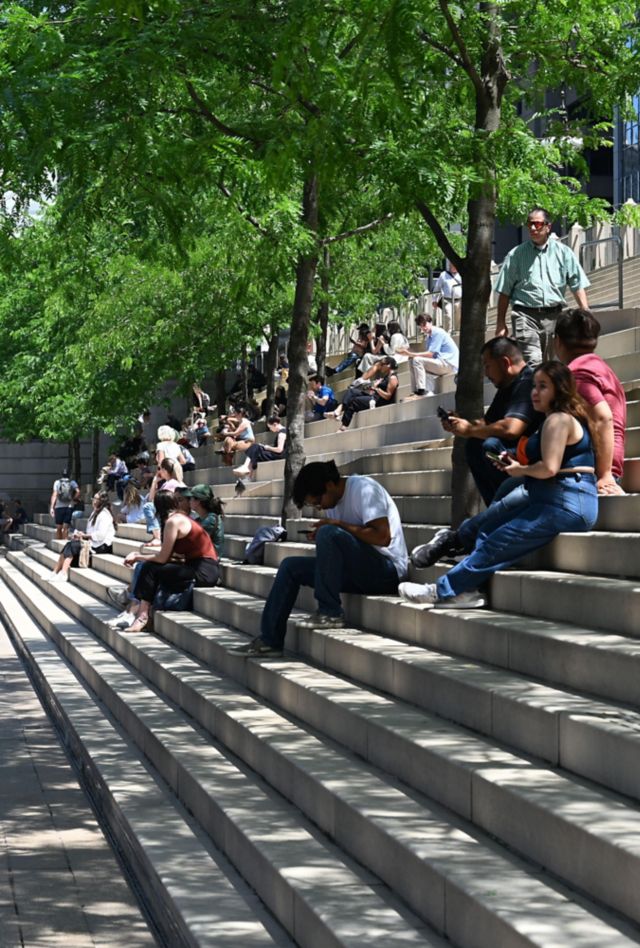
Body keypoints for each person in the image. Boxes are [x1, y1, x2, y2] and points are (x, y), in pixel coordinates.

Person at [400, 361, 598, 608]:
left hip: (566, 499)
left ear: (560, 389)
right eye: (534, 386)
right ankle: (466, 586)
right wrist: (515, 463)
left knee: (500, 538)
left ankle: (441, 590)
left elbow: (549, 468)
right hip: (552, 494)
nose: (535, 392)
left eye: (543, 386)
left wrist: (519, 470)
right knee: (490, 525)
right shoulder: (554, 419)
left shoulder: (558, 419)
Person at [233, 460, 408, 657]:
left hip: (386, 571)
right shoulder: (332, 501)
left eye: (317, 502)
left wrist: (337, 526)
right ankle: (269, 640)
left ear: (330, 485)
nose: (319, 508)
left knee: (328, 531)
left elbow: (382, 537)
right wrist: (333, 532)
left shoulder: (363, 489)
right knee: (290, 566)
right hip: (357, 571)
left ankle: (330, 612)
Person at [442, 337, 544, 506]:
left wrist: (470, 430)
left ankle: (508, 506)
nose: (485, 373)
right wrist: (461, 424)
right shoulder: (507, 386)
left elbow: (512, 428)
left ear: (505, 362)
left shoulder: (527, 383)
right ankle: (496, 507)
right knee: (475, 444)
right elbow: (487, 424)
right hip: (515, 455)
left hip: (530, 458)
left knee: (490, 446)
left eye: (487, 365)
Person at [495, 207, 591, 366]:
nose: (532, 228)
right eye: (530, 224)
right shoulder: (516, 255)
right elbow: (504, 291)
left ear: (548, 226)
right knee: (534, 362)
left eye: (537, 224)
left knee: (550, 365)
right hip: (525, 316)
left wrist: (585, 311)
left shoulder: (564, 253)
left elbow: (576, 283)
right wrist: (500, 323)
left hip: (554, 316)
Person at [121, 492, 220, 634]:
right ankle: (135, 608)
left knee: (148, 567)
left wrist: (137, 555)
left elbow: (162, 558)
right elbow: (169, 556)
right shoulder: (178, 518)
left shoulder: (173, 522)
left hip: (204, 570)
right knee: (147, 566)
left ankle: (141, 616)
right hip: (196, 566)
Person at [554, 309, 626, 496]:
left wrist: (605, 475)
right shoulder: (599, 367)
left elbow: (603, 418)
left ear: (558, 341)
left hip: (592, 473)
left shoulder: (578, 373)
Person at [50, 491, 115, 581]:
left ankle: (63, 573)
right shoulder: (95, 513)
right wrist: (82, 535)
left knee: (72, 546)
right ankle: (55, 572)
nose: (93, 501)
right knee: (69, 544)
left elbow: (100, 535)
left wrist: (85, 535)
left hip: (101, 546)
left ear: (101, 501)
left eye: (95, 499)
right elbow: (91, 532)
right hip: (94, 542)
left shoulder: (104, 514)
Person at [397, 314, 459, 397]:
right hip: (441, 363)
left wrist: (411, 354)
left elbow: (431, 354)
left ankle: (421, 390)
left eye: (424, 324)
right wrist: (410, 354)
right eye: (421, 326)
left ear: (430, 322)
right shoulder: (429, 337)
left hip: (449, 364)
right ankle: (415, 391)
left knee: (417, 360)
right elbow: (429, 356)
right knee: (412, 360)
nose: (423, 328)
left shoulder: (437, 332)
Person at [330, 357, 399, 430]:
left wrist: (376, 389)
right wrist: (373, 388)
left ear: (388, 365)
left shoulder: (392, 378)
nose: (380, 367)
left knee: (354, 401)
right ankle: (339, 410)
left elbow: (388, 396)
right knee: (352, 391)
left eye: (382, 364)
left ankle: (343, 427)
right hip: (375, 397)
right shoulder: (386, 377)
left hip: (378, 401)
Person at [183, 484, 225, 556]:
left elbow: (193, 541)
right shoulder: (199, 519)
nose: (189, 501)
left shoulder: (211, 519)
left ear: (198, 501)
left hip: (208, 561)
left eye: (191, 498)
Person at [432, 262, 462, 333]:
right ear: (449, 265)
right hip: (447, 300)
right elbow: (437, 288)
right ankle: (448, 333)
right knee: (448, 316)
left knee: (458, 318)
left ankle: (457, 333)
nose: (453, 267)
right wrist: (434, 300)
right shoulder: (443, 275)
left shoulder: (461, 274)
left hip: (459, 300)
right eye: (452, 265)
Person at [50, 469, 80, 540]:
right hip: (69, 507)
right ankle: (64, 544)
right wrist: (73, 499)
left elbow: (54, 494)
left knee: (59, 528)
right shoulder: (72, 482)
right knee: (66, 528)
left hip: (58, 507)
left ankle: (58, 543)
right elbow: (78, 491)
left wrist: (52, 507)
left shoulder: (57, 482)